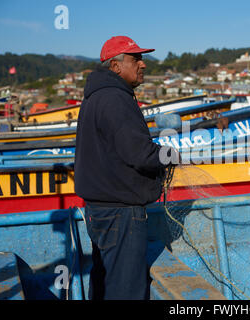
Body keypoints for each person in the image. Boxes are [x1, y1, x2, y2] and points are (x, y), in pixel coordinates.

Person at [74, 36, 177, 300]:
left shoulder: (95, 97)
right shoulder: (116, 99)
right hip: (120, 213)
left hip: (98, 209)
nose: (143, 65)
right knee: (127, 291)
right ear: (116, 67)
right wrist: (169, 154)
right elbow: (140, 153)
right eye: (136, 59)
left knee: (105, 282)